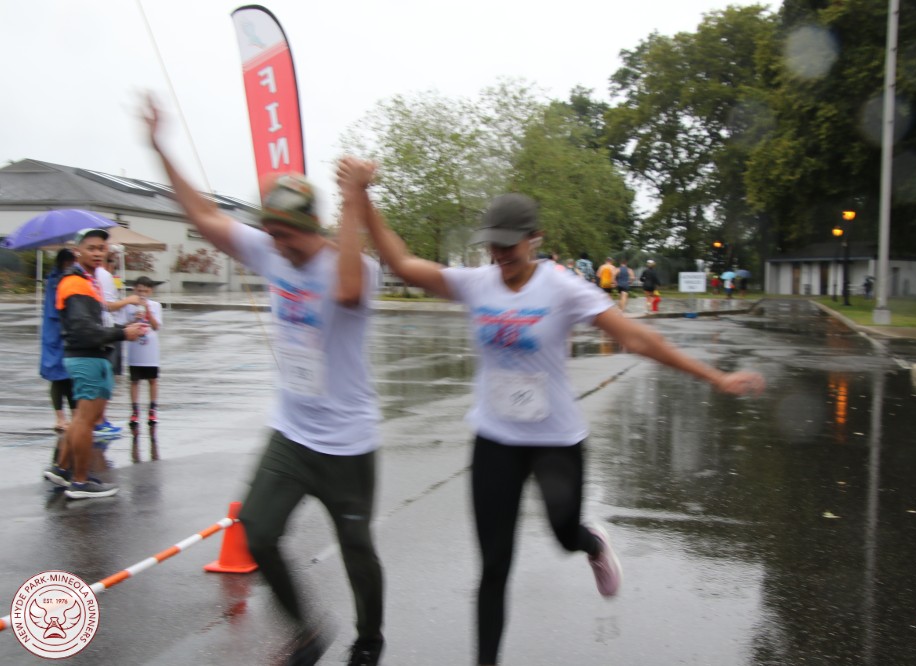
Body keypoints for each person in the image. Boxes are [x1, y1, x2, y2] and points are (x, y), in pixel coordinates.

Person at [342, 164, 766, 666]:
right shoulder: (477, 283)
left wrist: (714, 377)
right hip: (495, 440)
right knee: (493, 567)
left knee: (564, 535)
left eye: (510, 245)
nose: (500, 255)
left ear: (535, 239)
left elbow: (637, 338)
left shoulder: (562, 288)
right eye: (493, 245)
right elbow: (401, 262)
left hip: (555, 440)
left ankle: (591, 543)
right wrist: (362, 195)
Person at [146, 101, 385, 666]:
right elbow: (204, 216)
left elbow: (348, 292)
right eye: (270, 234)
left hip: (349, 442)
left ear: (313, 229)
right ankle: (307, 632)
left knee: (356, 547)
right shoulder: (271, 248)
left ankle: (369, 641)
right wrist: (160, 147)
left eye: (287, 236)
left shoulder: (357, 268)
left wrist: (353, 198)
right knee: (255, 531)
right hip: (292, 434)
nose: (275, 246)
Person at [43, 229, 148, 499]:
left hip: (91, 354)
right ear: (77, 251)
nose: (98, 253)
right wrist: (123, 333)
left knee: (82, 418)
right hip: (86, 355)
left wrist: (123, 328)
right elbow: (84, 330)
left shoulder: (87, 281)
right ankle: (80, 481)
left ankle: (62, 469)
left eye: (102, 248)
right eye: (91, 248)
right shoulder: (75, 282)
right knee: (85, 421)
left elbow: (95, 322)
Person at [94, 251, 141, 440]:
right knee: (106, 377)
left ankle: (100, 419)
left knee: (103, 376)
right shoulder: (103, 275)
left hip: (107, 328)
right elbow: (107, 305)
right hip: (108, 330)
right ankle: (99, 420)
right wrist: (128, 300)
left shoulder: (93, 275)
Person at [41, 248, 78, 432]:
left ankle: (73, 417)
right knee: (58, 376)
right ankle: (61, 418)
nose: (70, 265)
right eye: (68, 262)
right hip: (56, 332)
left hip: (62, 331)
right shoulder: (56, 280)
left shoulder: (62, 278)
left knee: (70, 376)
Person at [123, 276, 162, 442]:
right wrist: (135, 319)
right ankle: (135, 410)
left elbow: (156, 326)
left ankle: (152, 409)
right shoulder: (128, 306)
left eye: (145, 291)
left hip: (150, 351)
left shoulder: (155, 305)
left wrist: (147, 311)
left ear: (150, 291)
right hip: (135, 350)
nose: (142, 294)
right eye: (139, 291)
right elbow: (124, 326)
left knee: (152, 380)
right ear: (134, 290)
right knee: (134, 381)